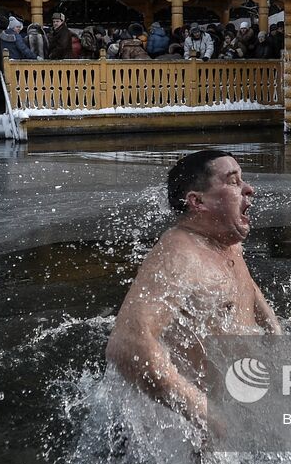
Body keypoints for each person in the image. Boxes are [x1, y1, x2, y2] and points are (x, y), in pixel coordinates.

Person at [106, 150, 280, 443]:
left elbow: (243, 282)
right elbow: (126, 345)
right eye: (233, 181)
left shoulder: (226, 240)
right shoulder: (180, 255)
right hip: (194, 436)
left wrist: (273, 328)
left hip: (241, 398)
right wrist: (205, 414)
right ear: (198, 201)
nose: (249, 189)